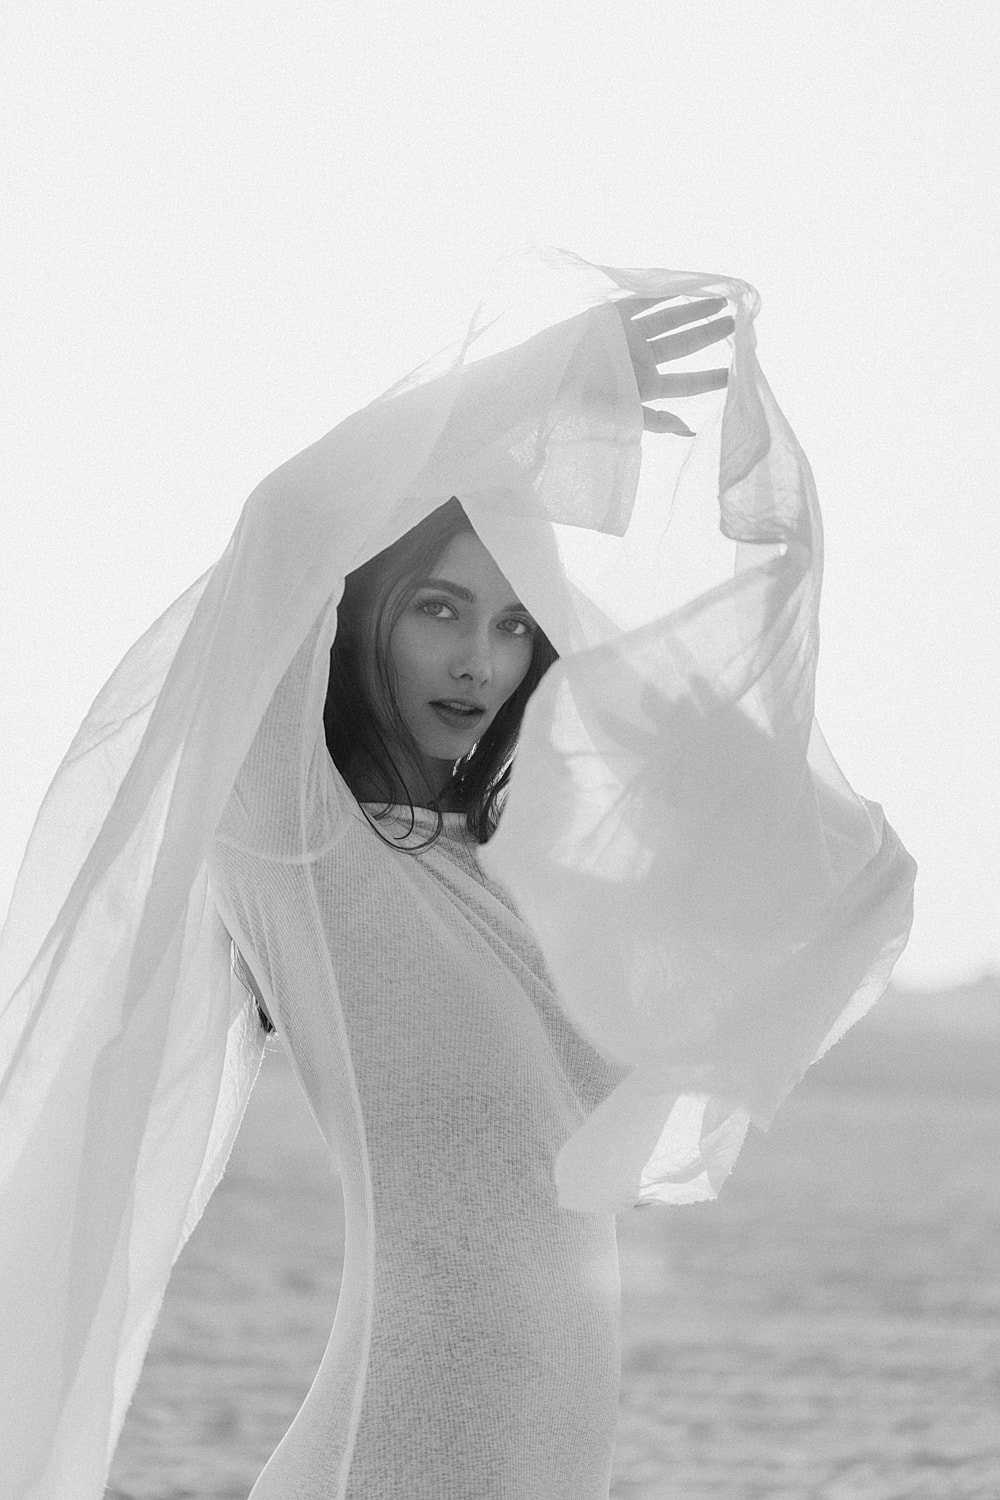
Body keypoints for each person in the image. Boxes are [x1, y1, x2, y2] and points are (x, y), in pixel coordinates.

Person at [0, 250, 916, 1499]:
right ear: (358, 617)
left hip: (542, 1459)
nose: (478, 661)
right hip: (392, 1454)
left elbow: (839, 897)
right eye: (437, 608)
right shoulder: (298, 842)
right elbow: (284, 530)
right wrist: (548, 388)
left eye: (509, 623)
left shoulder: (521, 881)